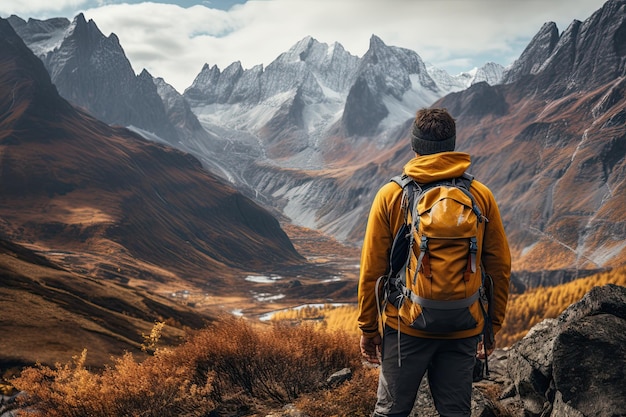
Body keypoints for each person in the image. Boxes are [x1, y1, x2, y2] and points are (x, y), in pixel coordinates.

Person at [357, 108, 511, 417]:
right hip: (464, 325)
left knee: (390, 412)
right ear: (453, 146)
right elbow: (498, 268)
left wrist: (368, 326)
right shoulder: (480, 196)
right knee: (455, 412)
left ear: (414, 146)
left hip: (405, 326)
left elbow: (373, 267)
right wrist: (491, 328)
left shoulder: (391, 195)